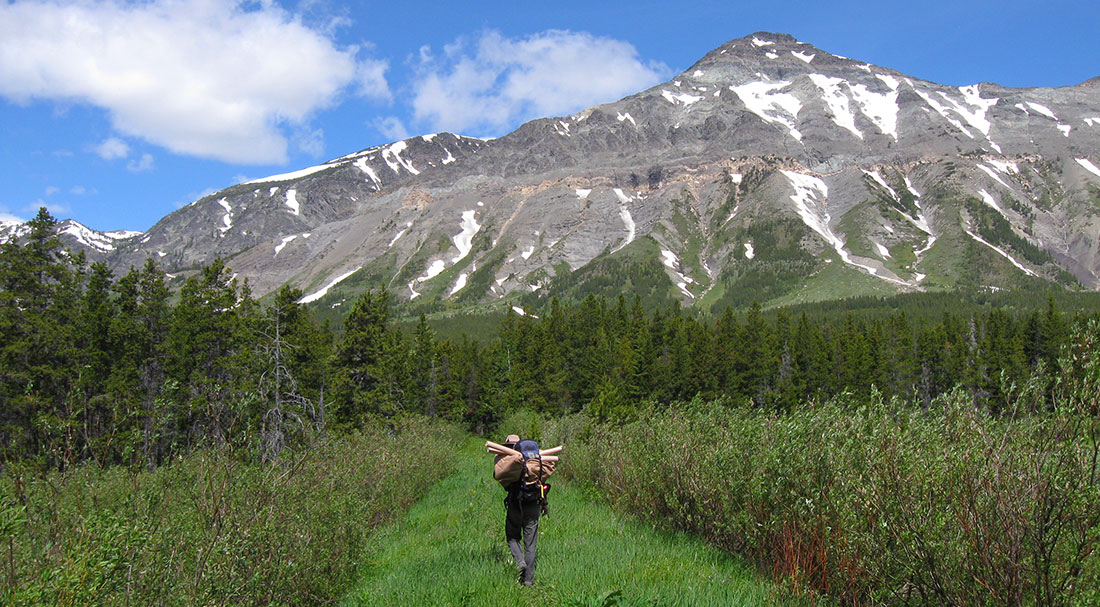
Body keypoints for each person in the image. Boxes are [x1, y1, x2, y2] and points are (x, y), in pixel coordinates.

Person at [499, 434, 543, 587]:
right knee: (530, 543)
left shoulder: (509, 460)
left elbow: (501, 480)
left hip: (515, 503)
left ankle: (520, 563)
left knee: (512, 537)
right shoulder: (535, 459)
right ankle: (529, 580)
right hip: (533, 503)